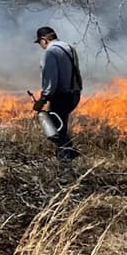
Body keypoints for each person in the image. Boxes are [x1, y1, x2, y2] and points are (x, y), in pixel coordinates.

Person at [31, 26, 82, 162]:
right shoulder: (70, 48)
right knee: (61, 126)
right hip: (75, 94)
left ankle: (66, 160)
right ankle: (69, 155)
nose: (41, 46)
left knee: (54, 130)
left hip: (61, 96)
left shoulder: (50, 53)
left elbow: (50, 79)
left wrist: (43, 99)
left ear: (43, 40)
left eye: (40, 43)